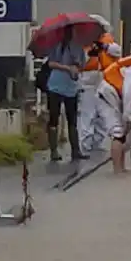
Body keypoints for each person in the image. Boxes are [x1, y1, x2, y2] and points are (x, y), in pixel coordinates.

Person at [45, 26, 89, 162]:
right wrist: (66, 68)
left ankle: (75, 150)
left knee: (72, 119)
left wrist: (76, 67)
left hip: (71, 87)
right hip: (55, 86)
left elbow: (82, 65)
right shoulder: (56, 46)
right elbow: (51, 63)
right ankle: (53, 150)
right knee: (54, 117)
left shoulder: (78, 47)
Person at [78, 26, 121, 154]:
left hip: (103, 77)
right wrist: (91, 51)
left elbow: (117, 51)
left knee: (102, 113)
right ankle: (85, 144)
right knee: (88, 112)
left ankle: (97, 141)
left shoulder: (106, 41)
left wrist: (103, 47)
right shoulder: (81, 42)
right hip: (87, 78)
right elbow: (80, 60)